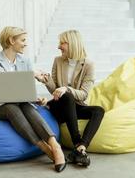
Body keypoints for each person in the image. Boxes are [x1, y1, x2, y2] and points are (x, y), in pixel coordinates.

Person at [0, 26, 66, 172]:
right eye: (23, 40)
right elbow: (4, 84)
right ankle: (43, 147)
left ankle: (54, 145)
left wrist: (35, 98)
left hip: (20, 101)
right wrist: (32, 74)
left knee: (27, 106)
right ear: (11, 40)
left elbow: (23, 89)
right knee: (11, 107)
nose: (26, 43)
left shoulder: (25, 61)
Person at [35, 30, 105, 167]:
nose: (59, 47)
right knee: (66, 97)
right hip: (58, 106)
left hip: (75, 106)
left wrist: (66, 89)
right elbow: (54, 89)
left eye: (62, 43)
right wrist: (45, 80)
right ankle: (78, 143)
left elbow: (84, 94)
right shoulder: (58, 61)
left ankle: (81, 149)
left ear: (72, 44)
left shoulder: (88, 65)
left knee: (99, 111)